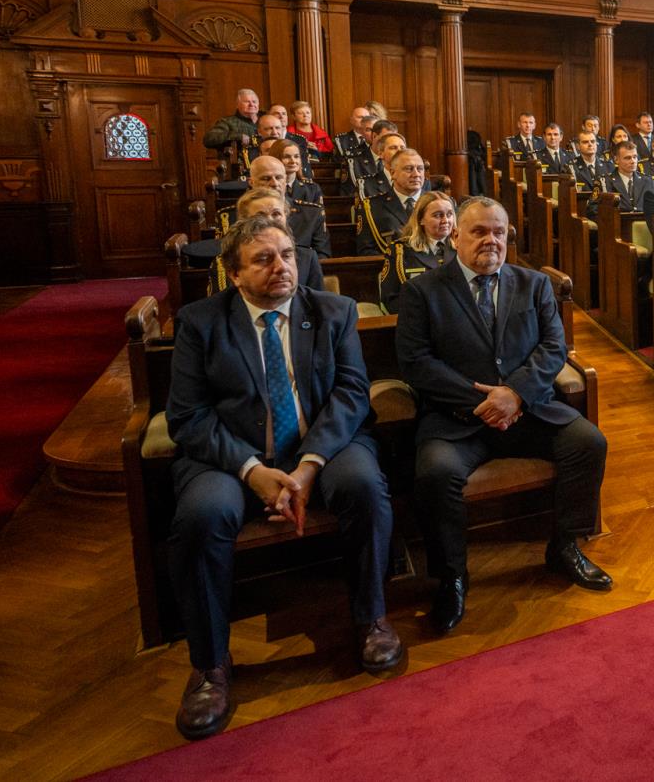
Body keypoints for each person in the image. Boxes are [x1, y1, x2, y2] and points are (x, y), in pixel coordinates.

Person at [165, 216, 401, 738]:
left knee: (365, 485)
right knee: (201, 515)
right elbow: (189, 418)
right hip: (232, 459)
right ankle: (210, 665)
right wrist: (254, 471)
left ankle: (373, 619)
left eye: (288, 255)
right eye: (263, 259)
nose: (281, 268)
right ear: (233, 273)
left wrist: (309, 465)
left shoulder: (332, 311)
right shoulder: (201, 323)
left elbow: (351, 394)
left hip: (323, 447)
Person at [397, 197, 611, 632]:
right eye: (479, 231)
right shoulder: (424, 291)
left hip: (528, 411)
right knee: (435, 474)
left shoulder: (533, 284)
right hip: (457, 421)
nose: (491, 241)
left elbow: (554, 348)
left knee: (589, 442)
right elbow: (416, 362)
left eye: (499, 232)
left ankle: (565, 545)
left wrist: (515, 394)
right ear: (456, 235)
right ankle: (452, 576)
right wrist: (487, 401)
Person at [204, 188, 325, 295]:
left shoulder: (307, 258)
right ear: (244, 221)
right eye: (260, 215)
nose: (269, 220)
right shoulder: (229, 260)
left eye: (276, 214)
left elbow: (316, 304)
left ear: (286, 217)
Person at [378, 190, 456, 310]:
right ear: (421, 219)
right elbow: (390, 298)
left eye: (449, 214)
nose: (445, 220)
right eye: (437, 215)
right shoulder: (401, 251)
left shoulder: (463, 248)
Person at [263, 139, 330, 258]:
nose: (293, 161)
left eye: (296, 156)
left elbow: (319, 229)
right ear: (276, 159)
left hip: (304, 253)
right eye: (287, 157)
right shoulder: (265, 189)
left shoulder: (312, 189)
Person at [356, 148, 429, 256]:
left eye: (420, 169)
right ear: (392, 173)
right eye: (409, 169)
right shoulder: (372, 207)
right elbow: (366, 250)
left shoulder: (438, 203)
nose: (416, 174)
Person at [589, 140, 654, 217]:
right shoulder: (604, 182)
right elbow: (592, 210)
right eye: (627, 158)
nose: (633, 161)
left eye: (635, 157)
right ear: (616, 160)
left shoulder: (647, 181)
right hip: (617, 224)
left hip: (643, 224)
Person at [201, 88, 260, 152]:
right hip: (240, 160)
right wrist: (237, 136)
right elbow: (209, 139)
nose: (251, 104)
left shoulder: (266, 119)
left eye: (254, 101)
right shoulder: (227, 122)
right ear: (237, 105)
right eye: (247, 102)